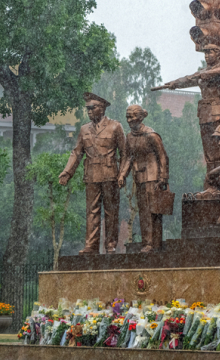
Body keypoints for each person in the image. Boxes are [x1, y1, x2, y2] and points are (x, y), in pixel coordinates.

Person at [162, 44, 220, 199]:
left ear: (218, 53)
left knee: (219, 152)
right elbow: (189, 79)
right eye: (205, 53)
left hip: (218, 113)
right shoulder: (203, 72)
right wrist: (174, 83)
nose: (207, 56)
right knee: (209, 155)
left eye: (210, 52)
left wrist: (205, 74)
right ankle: (211, 186)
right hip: (205, 115)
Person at [59, 92, 125, 254]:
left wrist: (122, 174)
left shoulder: (115, 126)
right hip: (91, 176)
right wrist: (67, 172)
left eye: (92, 108)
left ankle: (110, 244)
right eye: (87, 108)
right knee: (92, 212)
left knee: (111, 212)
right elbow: (76, 153)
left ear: (102, 109)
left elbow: (125, 154)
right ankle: (91, 245)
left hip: (111, 176)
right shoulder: (84, 129)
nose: (88, 111)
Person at [118, 105, 170, 253]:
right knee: (143, 211)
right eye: (127, 117)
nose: (129, 120)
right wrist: (122, 175)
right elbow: (128, 157)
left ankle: (154, 243)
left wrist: (163, 177)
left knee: (154, 211)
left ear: (140, 118)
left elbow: (163, 157)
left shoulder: (152, 135)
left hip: (153, 178)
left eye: (132, 117)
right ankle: (147, 242)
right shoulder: (129, 137)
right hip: (139, 178)